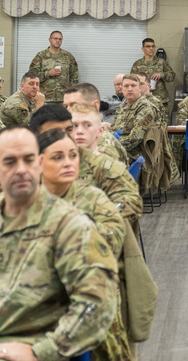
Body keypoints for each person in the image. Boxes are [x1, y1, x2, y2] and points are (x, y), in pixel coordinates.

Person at [0, 126, 118, 361]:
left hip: (29, 346)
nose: (21, 170)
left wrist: (41, 352)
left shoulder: (69, 225)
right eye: (10, 162)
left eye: (28, 160)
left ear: (40, 164)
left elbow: (97, 303)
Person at [36, 127, 132, 361]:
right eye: (58, 157)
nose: (68, 163)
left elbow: (107, 243)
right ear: (38, 162)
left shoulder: (95, 200)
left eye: (73, 155)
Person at [32, 103, 143, 233]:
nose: (64, 137)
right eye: (54, 133)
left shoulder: (102, 164)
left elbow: (130, 202)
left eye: (68, 130)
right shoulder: (24, 168)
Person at [63, 83, 129, 164]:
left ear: (95, 105)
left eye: (74, 105)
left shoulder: (103, 148)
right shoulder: (83, 135)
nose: (68, 110)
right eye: (66, 106)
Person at [29, 30, 79, 103]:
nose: (58, 41)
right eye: (55, 38)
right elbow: (32, 77)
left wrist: (72, 95)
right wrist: (48, 73)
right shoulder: (41, 56)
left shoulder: (68, 56)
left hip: (63, 99)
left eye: (60, 39)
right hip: (44, 99)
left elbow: (74, 77)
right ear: (50, 40)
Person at [130, 37, 175, 114]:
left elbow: (172, 76)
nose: (151, 49)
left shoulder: (161, 62)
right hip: (143, 100)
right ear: (143, 49)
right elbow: (132, 81)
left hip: (160, 99)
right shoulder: (137, 64)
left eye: (153, 46)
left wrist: (162, 75)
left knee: (164, 122)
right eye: (148, 46)